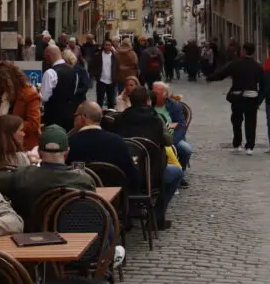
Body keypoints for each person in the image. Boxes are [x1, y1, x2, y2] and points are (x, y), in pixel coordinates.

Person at [114, 87, 182, 227]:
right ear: (148, 101)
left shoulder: (119, 119)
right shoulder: (156, 119)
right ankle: (156, 217)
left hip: (124, 173)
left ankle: (129, 209)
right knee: (176, 172)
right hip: (151, 174)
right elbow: (169, 141)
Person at [2, 125, 96, 223]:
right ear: (67, 151)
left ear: (38, 152)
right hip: (74, 236)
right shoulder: (84, 180)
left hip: (30, 236)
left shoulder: (21, 176)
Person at [207, 41, 264, 153]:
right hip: (252, 97)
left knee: (237, 120)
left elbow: (222, 74)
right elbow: (263, 85)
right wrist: (259, 100)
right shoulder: (257, 66)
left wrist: (210, 77)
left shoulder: (235, 63)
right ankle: (249, 147)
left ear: (243, 51)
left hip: (237, 97)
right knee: (251, 122)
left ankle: (237, 144)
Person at [68, 101, 139, 191]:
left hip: (82, 197)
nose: (74, 119)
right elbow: (132, 176)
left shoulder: (71, 143)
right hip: (115, 199)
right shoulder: (116, 141)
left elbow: (66, 175)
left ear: (83, 117)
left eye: (75, 116)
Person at [0, 59, 41, 151]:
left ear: (9, 81)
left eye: (0, 82)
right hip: (6, 143)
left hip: (25, 145)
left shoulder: (30, 95)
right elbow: (3, 115)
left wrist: (10, 126)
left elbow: (34, 124)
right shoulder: (5, 95)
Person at [151, 81, 193, 180]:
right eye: (153, 92)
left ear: (165, 95)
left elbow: (181, 125)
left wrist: (172, 142)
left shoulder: (174, 106)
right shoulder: (149, 104)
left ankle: (180, 174)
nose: (153, 95)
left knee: (186, 149)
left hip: (172, 137)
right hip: (153, 137)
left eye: (156, 93)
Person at [41, 43, 78, 131]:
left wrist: (37, 91)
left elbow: (44, 98)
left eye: (45, 57)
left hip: (53, 117)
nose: (45, 59)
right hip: (69, 115)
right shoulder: (73, 71)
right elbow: (73, 91)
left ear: (49, 56)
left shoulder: (50, 72)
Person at [92, 38, 119, 109]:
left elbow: (117, 68)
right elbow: (92, 66)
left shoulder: (115, 56)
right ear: (103, 46)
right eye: (106, 45)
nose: (107, 46)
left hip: (111, 82)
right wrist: (96, 76)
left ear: (111, 46)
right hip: (101, 81)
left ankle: (110, 116)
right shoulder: (98, 55)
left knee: (111, 101)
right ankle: (98, 116)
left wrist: (115, 78)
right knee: (99, 101)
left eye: (109, 45)